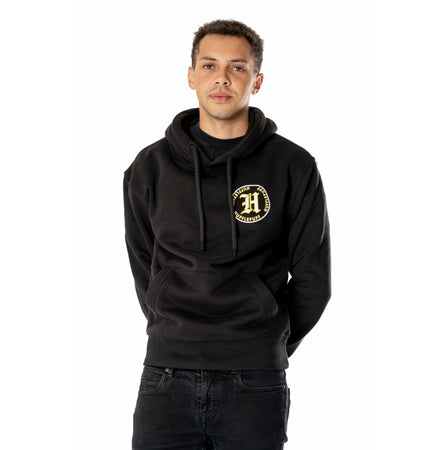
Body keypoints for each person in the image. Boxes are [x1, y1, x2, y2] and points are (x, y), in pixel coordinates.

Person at [123, 19, 331, 450]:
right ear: (191, 76)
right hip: (166, 375)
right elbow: (145, 265)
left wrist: (265, 343)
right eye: (209, 65)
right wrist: (173, 328)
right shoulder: (149, 167)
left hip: (254, 379)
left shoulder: (293, 166)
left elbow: (313, 280)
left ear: (257, 81)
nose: (222, 78)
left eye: (237, 67)